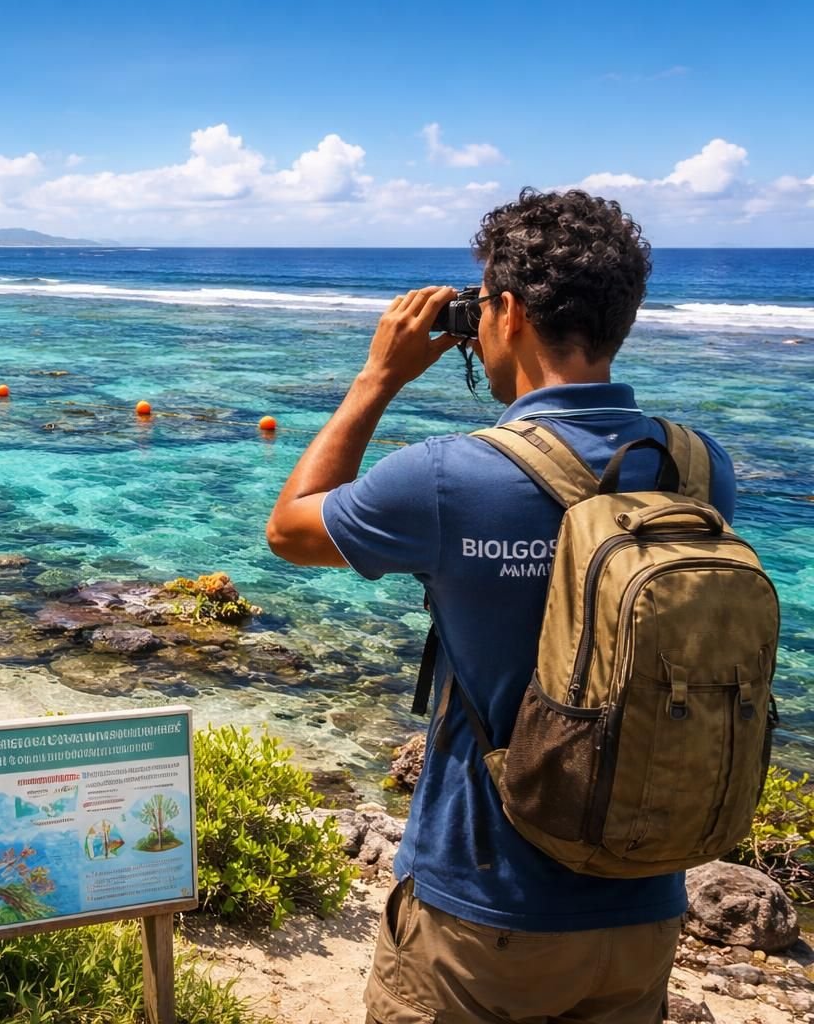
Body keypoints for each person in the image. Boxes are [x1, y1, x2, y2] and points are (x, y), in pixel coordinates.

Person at [265, 189, 735, 1024]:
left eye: (481, 305)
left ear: (507, 310)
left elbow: (292, 530)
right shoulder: (700, 468)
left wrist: (379, 376)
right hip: (643, 906)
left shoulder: (449, 477)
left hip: (481, 915)